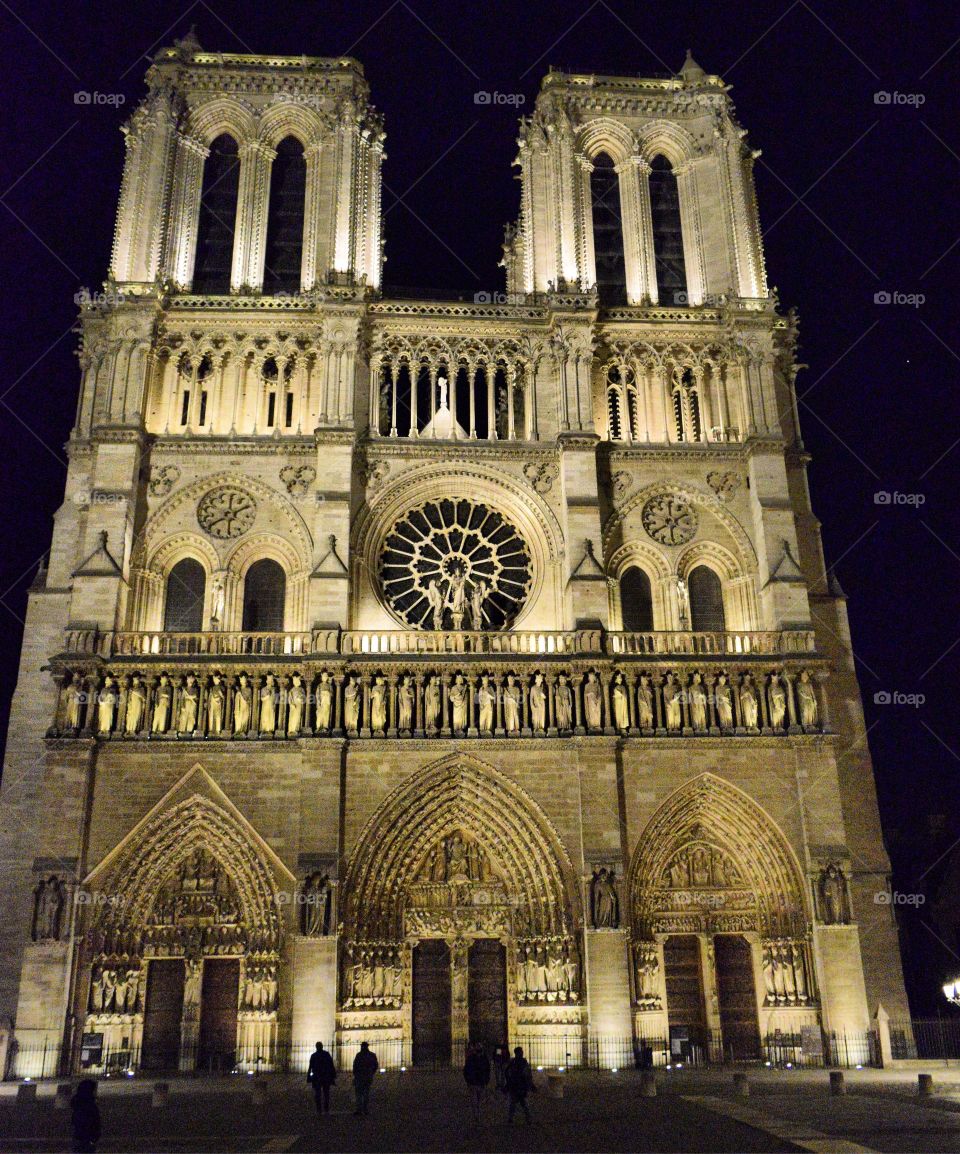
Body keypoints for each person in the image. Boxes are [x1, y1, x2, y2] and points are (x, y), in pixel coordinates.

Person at [504, 1045, 534, 1123]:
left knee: (522, 1103)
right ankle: (513, 1118)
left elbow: (528, 1074)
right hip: (516, 1085)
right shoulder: (515, 1062)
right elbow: (507, 1072)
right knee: (515, 1103)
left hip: (520, 1085)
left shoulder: (521, 1062)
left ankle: (527, 1119)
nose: (521, 1053)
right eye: (520, 1052)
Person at [463, 1041, 491, 1124]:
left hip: (477, 1082)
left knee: (477, 1100)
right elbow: (487, 1070)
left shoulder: (471, 1058)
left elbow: (466, 1070)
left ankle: (477, 1115)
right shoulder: (482, 1058)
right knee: (477, 1100)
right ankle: (477, 1115)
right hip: (476, 1082)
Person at [307, 1041, 337, 1115]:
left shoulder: (314, 1055)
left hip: (317, 1077)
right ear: (322, 1046)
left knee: (318, 1094)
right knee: (326, 1094)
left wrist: (309, 1076)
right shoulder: (326, 1054)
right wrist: (333, 1075)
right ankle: (326, 1109)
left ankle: (319, 1109)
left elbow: (310, 1067)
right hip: (325, 1076)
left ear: (316, 1047)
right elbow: (331, 1065)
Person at [70, 1079, 100, 1153]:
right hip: (86, 1136)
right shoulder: (88, 1105)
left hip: (80, 1136)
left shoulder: (78, 1103)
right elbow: (94, 1121)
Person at [352, 1041, 379, 1116]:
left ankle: (359, 1109)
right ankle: (365, 1109)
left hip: (360, 1077)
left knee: (359, 1094)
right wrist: (371, 1073)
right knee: (366, 1093)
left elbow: (355, 1066)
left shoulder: (359, 1055)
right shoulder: (372, 1055)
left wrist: (355, 1075)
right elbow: (376, 1065)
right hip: (367, 1076)